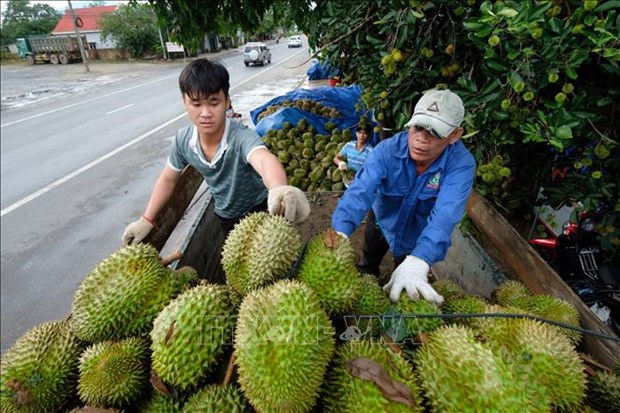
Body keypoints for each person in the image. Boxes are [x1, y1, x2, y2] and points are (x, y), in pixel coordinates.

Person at [123, 58, 310, 276]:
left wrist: (278, 188)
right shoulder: (184, 141)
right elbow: (168, 179)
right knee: (242, 271)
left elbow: (263, 159)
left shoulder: (240, 137)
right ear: (184, 102)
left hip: (260, 208)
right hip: (226, 216)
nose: (205, 113)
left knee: (273, 268)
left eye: (213, 103)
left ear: (227, 101)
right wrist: (147, 219)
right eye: (196, 104)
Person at [331, 89, 475, 304]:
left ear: (454, 135)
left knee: (406, 286)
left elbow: (446, 214)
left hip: (414, 237)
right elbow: (360, 191)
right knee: (367, 261)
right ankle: (363, 287)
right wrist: (339, 232)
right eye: (418, 128)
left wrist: (420, 259)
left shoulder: (460, 165)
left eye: (434, 132)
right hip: (381, 222)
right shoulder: (386, 151)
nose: (421, 139)